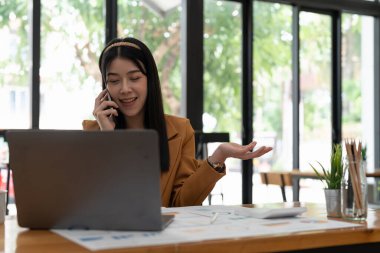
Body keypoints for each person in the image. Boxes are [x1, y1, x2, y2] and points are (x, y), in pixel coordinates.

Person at [83, 37, 272, 207]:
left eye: (134, 78)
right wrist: (109, 140)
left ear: (150, 80)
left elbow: (183, 203)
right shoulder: (93, 133)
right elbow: (93, 204)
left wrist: (218, 156)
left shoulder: (180, 131)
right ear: (105, 88)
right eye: (114, 81)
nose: (124, 89)